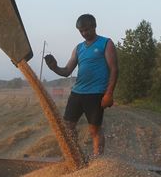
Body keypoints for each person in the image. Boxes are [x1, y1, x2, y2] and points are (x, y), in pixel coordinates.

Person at [44, 14, 118, 158]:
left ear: (94, 26)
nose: (84, 33)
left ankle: (97, 163)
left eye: (86, 30)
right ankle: (75, 158)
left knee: (94, 130)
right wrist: (54, 67)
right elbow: (66, 71)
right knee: (68, 128)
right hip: (77, 93)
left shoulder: (106, 43)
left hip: (96, 94)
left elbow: (114, 69)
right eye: (81, 31)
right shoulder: (78, 48)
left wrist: (109, 94)